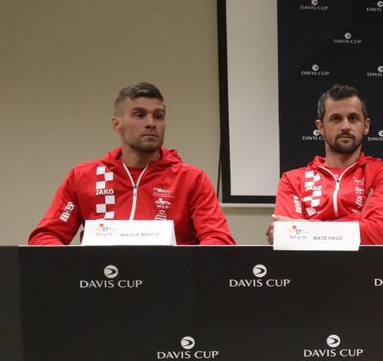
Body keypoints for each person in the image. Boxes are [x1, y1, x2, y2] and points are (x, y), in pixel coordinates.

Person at [29, 82, 234, 245]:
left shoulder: (191, 179)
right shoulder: (83, 177)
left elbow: (219, 239)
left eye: (158, 116)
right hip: (101, 280)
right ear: (117, 124)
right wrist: (75, 267)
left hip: (170, 281)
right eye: (139, 115)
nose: (151, 123)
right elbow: (46, 236)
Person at [271, 84, 383, 245]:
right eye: (336, 119)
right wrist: (359, 219)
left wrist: (305, 228)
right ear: (320, 127)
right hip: (309, 262)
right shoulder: (292, 180)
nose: (346, 126)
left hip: (366, 262)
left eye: (353, 118)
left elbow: (380, 237)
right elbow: (286, 241)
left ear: (366, 126)